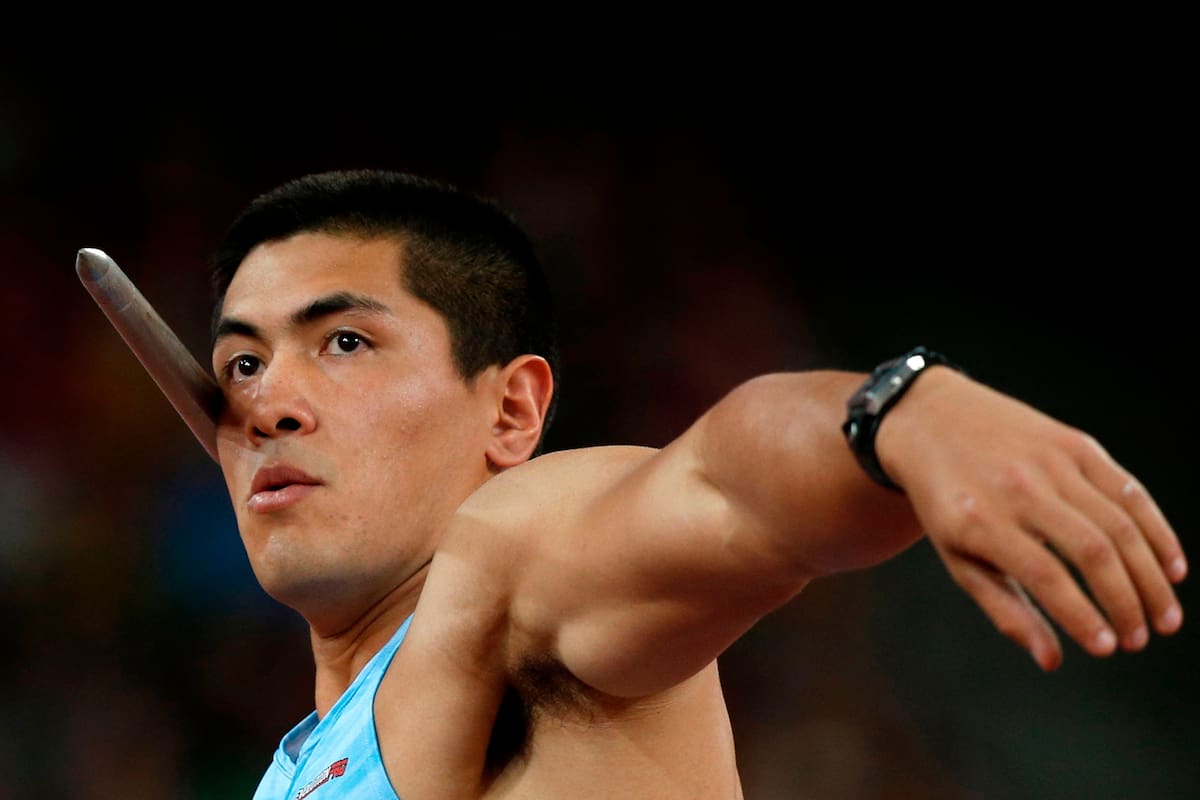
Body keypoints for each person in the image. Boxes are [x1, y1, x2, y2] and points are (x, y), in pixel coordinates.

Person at [204, 169, 1185, 799]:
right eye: (242, 363)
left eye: (344, 341)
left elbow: (723, 481)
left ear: (509, 410)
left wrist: (902, 409)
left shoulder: (505, 558)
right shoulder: (305, 760)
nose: (268, 401)